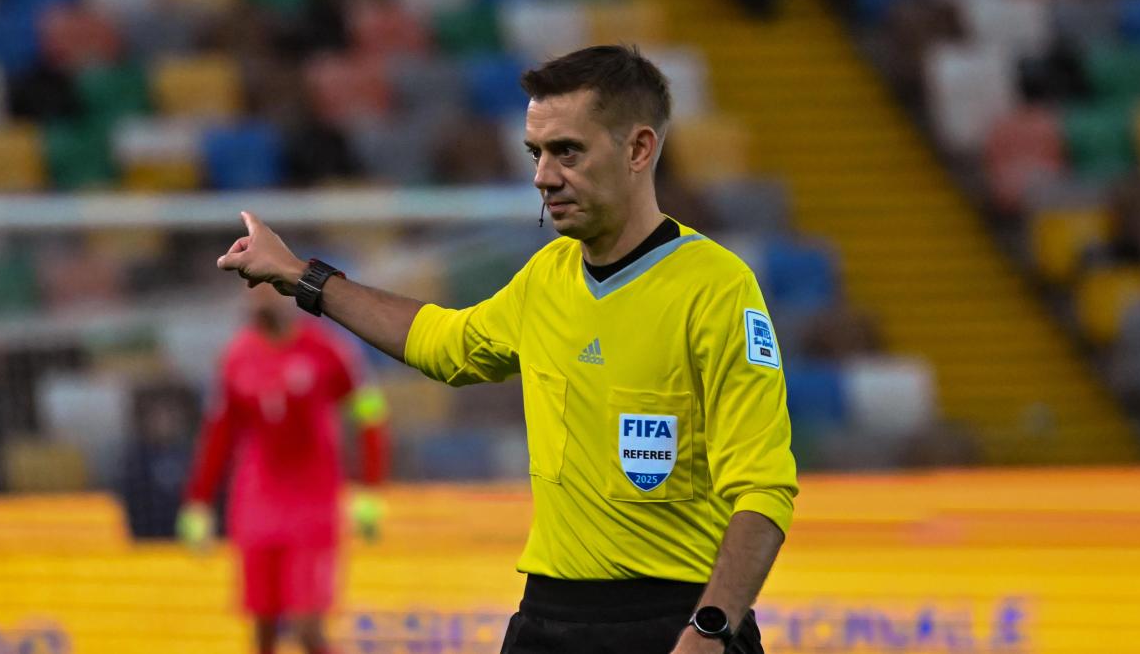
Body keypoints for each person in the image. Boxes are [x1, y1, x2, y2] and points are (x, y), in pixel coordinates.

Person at [217, 44, 798, 654]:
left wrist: (710, 629)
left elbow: (763, 489)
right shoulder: (547, 276)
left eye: (567, 150)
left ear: (638, 149)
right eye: (537, 153)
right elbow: (444, 344)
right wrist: (301, 277)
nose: (544, 176)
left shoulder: (717, 288)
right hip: (548, 616)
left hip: (674, 618)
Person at [177, 283, 390, 654]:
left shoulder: (327, 351)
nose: (259, 300)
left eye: (268, 291)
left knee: (307, 626)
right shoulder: (236, 357)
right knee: (262, 632)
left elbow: (370, 413)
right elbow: (219, 434)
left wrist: (369, 487)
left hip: (312, 504)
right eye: (252, 292)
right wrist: (199, 501)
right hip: (257, 503)